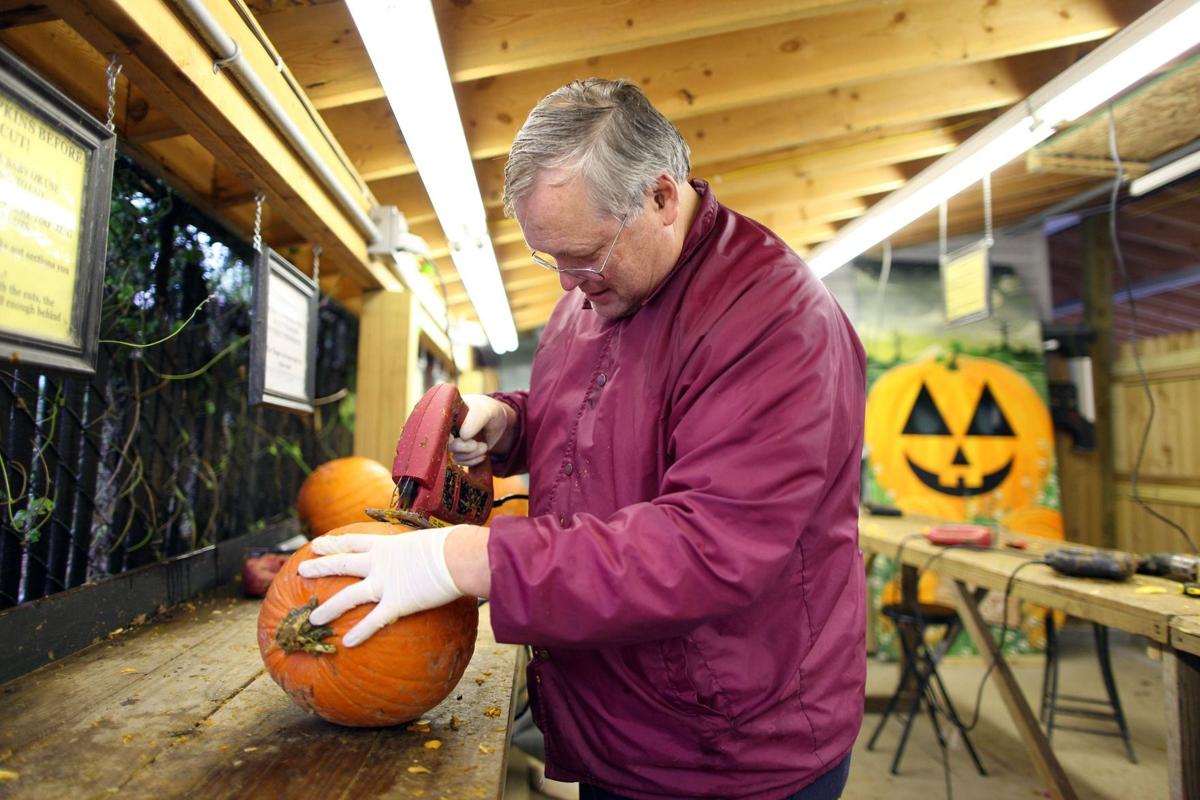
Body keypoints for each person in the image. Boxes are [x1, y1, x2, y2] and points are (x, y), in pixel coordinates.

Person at [299, 78, 867, 800]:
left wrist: (471, 559)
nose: (568, 285)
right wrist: (510, 422)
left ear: (661, 197)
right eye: (550, 260)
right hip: (616, 715)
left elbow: (708, 549)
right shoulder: (599, 291)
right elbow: (615, 419)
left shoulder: (774, 324)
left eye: (584, 255)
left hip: (725, 746)